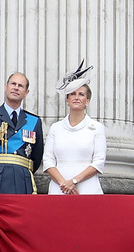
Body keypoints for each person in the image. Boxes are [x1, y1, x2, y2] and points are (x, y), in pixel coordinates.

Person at [43, 62, 106, 195]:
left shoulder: (97, 128)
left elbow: (98, 161)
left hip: (88, 189)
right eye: (72, 94)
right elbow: (48, 160)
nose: (76, 97)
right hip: (58, 188)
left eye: (81, 94)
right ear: (67, 99)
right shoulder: (56, 128)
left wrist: (74, 181)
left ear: (87, 100)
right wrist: (64, 184)